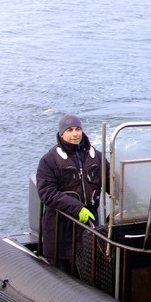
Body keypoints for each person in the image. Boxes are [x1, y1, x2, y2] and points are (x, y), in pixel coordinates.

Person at [36, 113, 108, 276]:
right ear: (61, 134)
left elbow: (112, 181)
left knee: (89, 272)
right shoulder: (49, 161)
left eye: (78, 129)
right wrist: (77, 208)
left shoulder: (96, 157)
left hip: (88, 228)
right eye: (69, 130)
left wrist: (132, 201)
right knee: (61, 277)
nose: (75, 134)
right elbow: (46, 193)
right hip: (60, 231)